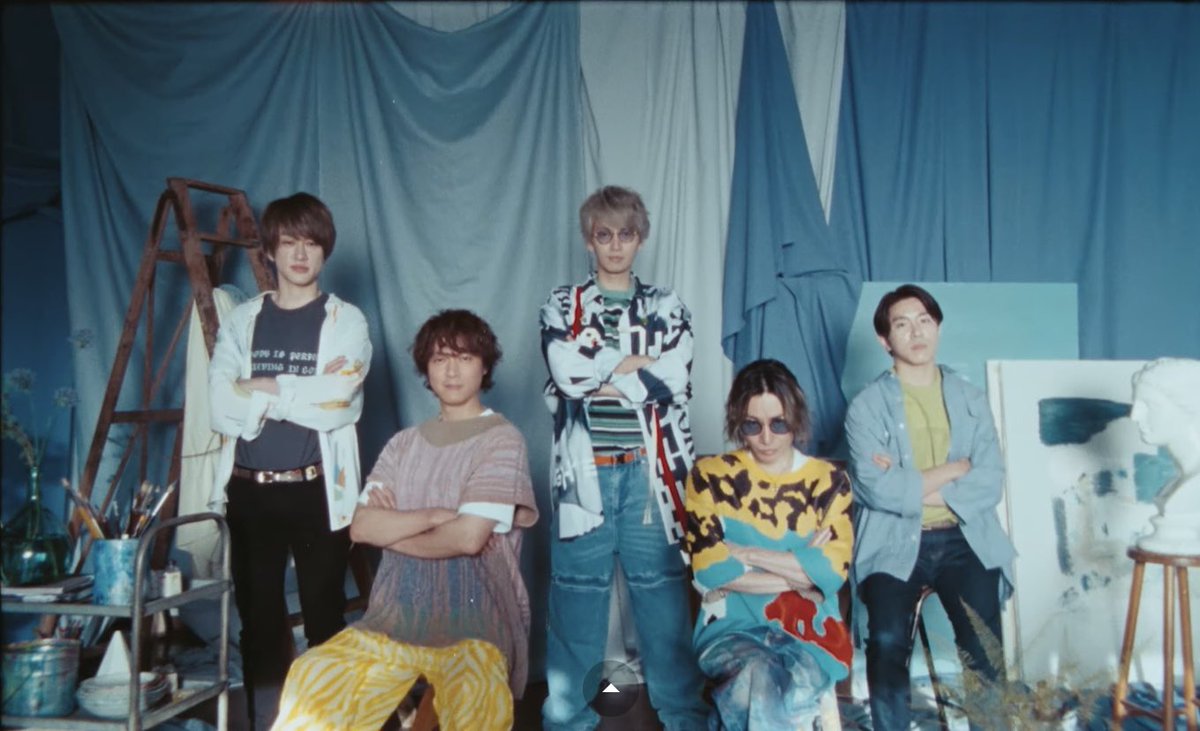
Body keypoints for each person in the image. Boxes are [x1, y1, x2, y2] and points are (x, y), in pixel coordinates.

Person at [271, 309, 539, 731]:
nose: (452, 371)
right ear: (426, 369)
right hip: (393, 619)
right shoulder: (402, 445)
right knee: (313, 675)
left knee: (477, 698)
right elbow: (361, 527)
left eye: (465, 358)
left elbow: (468, 538)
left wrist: (392, 531)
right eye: (439, 359)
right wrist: (432, 516)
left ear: (484, 366)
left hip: (476, 626)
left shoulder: (503, 441)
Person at [540, 186, 708, 730]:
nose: (615, 246)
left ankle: (683, 716)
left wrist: (601, 373)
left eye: (626, 234)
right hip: (583, 472)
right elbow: (566, 374)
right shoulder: (564, 304)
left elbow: (674, 378)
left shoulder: (666, 305)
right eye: (604, 235)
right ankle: (568, 720)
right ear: (589, 240)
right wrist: (636, 370)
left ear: (641, 239)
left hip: (649, 472)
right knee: (577, 599)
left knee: (662, 596)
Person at [208, 192, 371, 730]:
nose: (300, 255)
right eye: (289, 243)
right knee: (257, 621)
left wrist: (260, 387)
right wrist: (298, 392)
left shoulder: (346, 321)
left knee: (325, 616)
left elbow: (340, 399)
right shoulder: (242, 321)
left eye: (311, 243)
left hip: (316, 489)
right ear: (270, 250)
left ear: (325, 250)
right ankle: (265, 722)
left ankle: (325, 724)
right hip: (249, 490)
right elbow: (220, 405)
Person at [844, 284, 1016, 730]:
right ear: (885, 340)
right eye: (902, 324)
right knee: (886, 641)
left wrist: (908, 482)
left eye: (924, 320)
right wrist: (955, 469)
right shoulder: (866, 407)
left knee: (983, 644)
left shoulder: (971, 399)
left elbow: (989, 481)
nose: (916, 331)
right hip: (893, 542)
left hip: (964, 537)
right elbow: (875, 490)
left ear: (937, 327)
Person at [686, 359, 852, 731]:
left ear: (796, 417)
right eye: (752, 425)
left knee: (786, 684)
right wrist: (801, 571)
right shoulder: (710, 477)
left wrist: (745, 555)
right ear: (737, 421)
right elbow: (710, 570)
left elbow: (832, 573)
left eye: (779, 424)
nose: (766, 438)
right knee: (760, 676)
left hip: (813, 632)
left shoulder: (829, 482)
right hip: (731, 630)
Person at [1130, 357, 1200, 553]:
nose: (1134, 416)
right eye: (1136, 404)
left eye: (1150, 405)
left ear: (1191, 410)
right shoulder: (1177, 480)